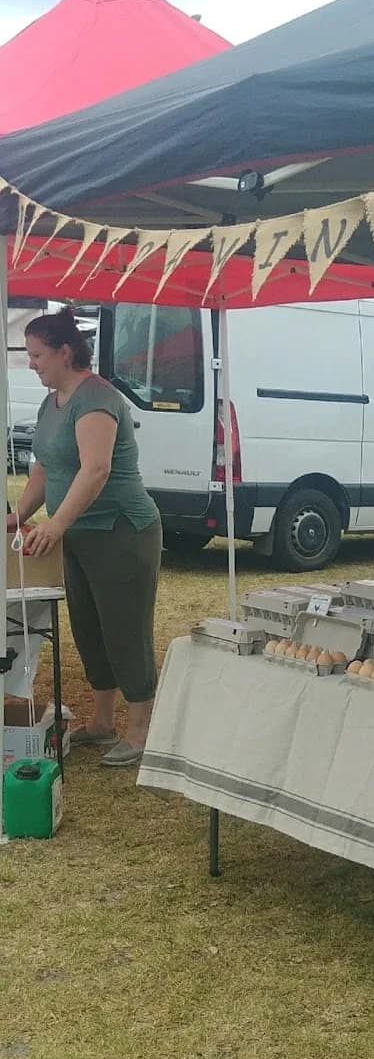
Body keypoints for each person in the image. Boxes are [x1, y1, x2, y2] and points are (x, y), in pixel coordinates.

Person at [5, 307, 162, 767]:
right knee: (90, 630)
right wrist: (19, 516)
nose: (30, 363)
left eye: (36, 355)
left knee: (125, 630)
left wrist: (55, 524)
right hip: (78, 536)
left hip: (122, 532)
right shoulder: (50, 400)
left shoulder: (95, 399)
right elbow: (44, 467)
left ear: (64, 352)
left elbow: (96, 469)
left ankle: (139, 733)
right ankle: (102, 722)